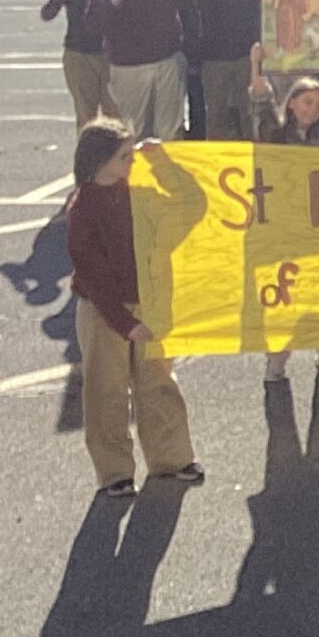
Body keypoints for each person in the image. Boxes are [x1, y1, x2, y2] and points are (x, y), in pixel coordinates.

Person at [62, 121, 200, 498]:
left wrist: (165, 165)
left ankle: (172, 458)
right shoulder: (84, 207)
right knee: (106, 389)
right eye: (125, 156)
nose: (132, 161)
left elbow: (192, 206)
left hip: (149, 300)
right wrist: (125, 323)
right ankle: (115, 472)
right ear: (102, 161)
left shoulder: (140, 192)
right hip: (104, 310)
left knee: (158, 382)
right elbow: (92, 274)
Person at [85, 0, 191, 140]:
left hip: (167, 60)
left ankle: (168, 166)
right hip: (129, 67)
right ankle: (136, 166)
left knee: (171, 130)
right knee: (136, 133)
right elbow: (94, 24)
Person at [195, 0, 262, 141]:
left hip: (245, 55)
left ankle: (255, 153)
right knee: (216, 112)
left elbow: (259, 12)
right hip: (214, 57)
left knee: (249, 110)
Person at [43, 0, 117, 127]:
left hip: (109, 55)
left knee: (115, 113)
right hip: (79, 54)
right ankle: (88, 155)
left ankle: (114, 155)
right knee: (86, 114)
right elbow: (47, 14)